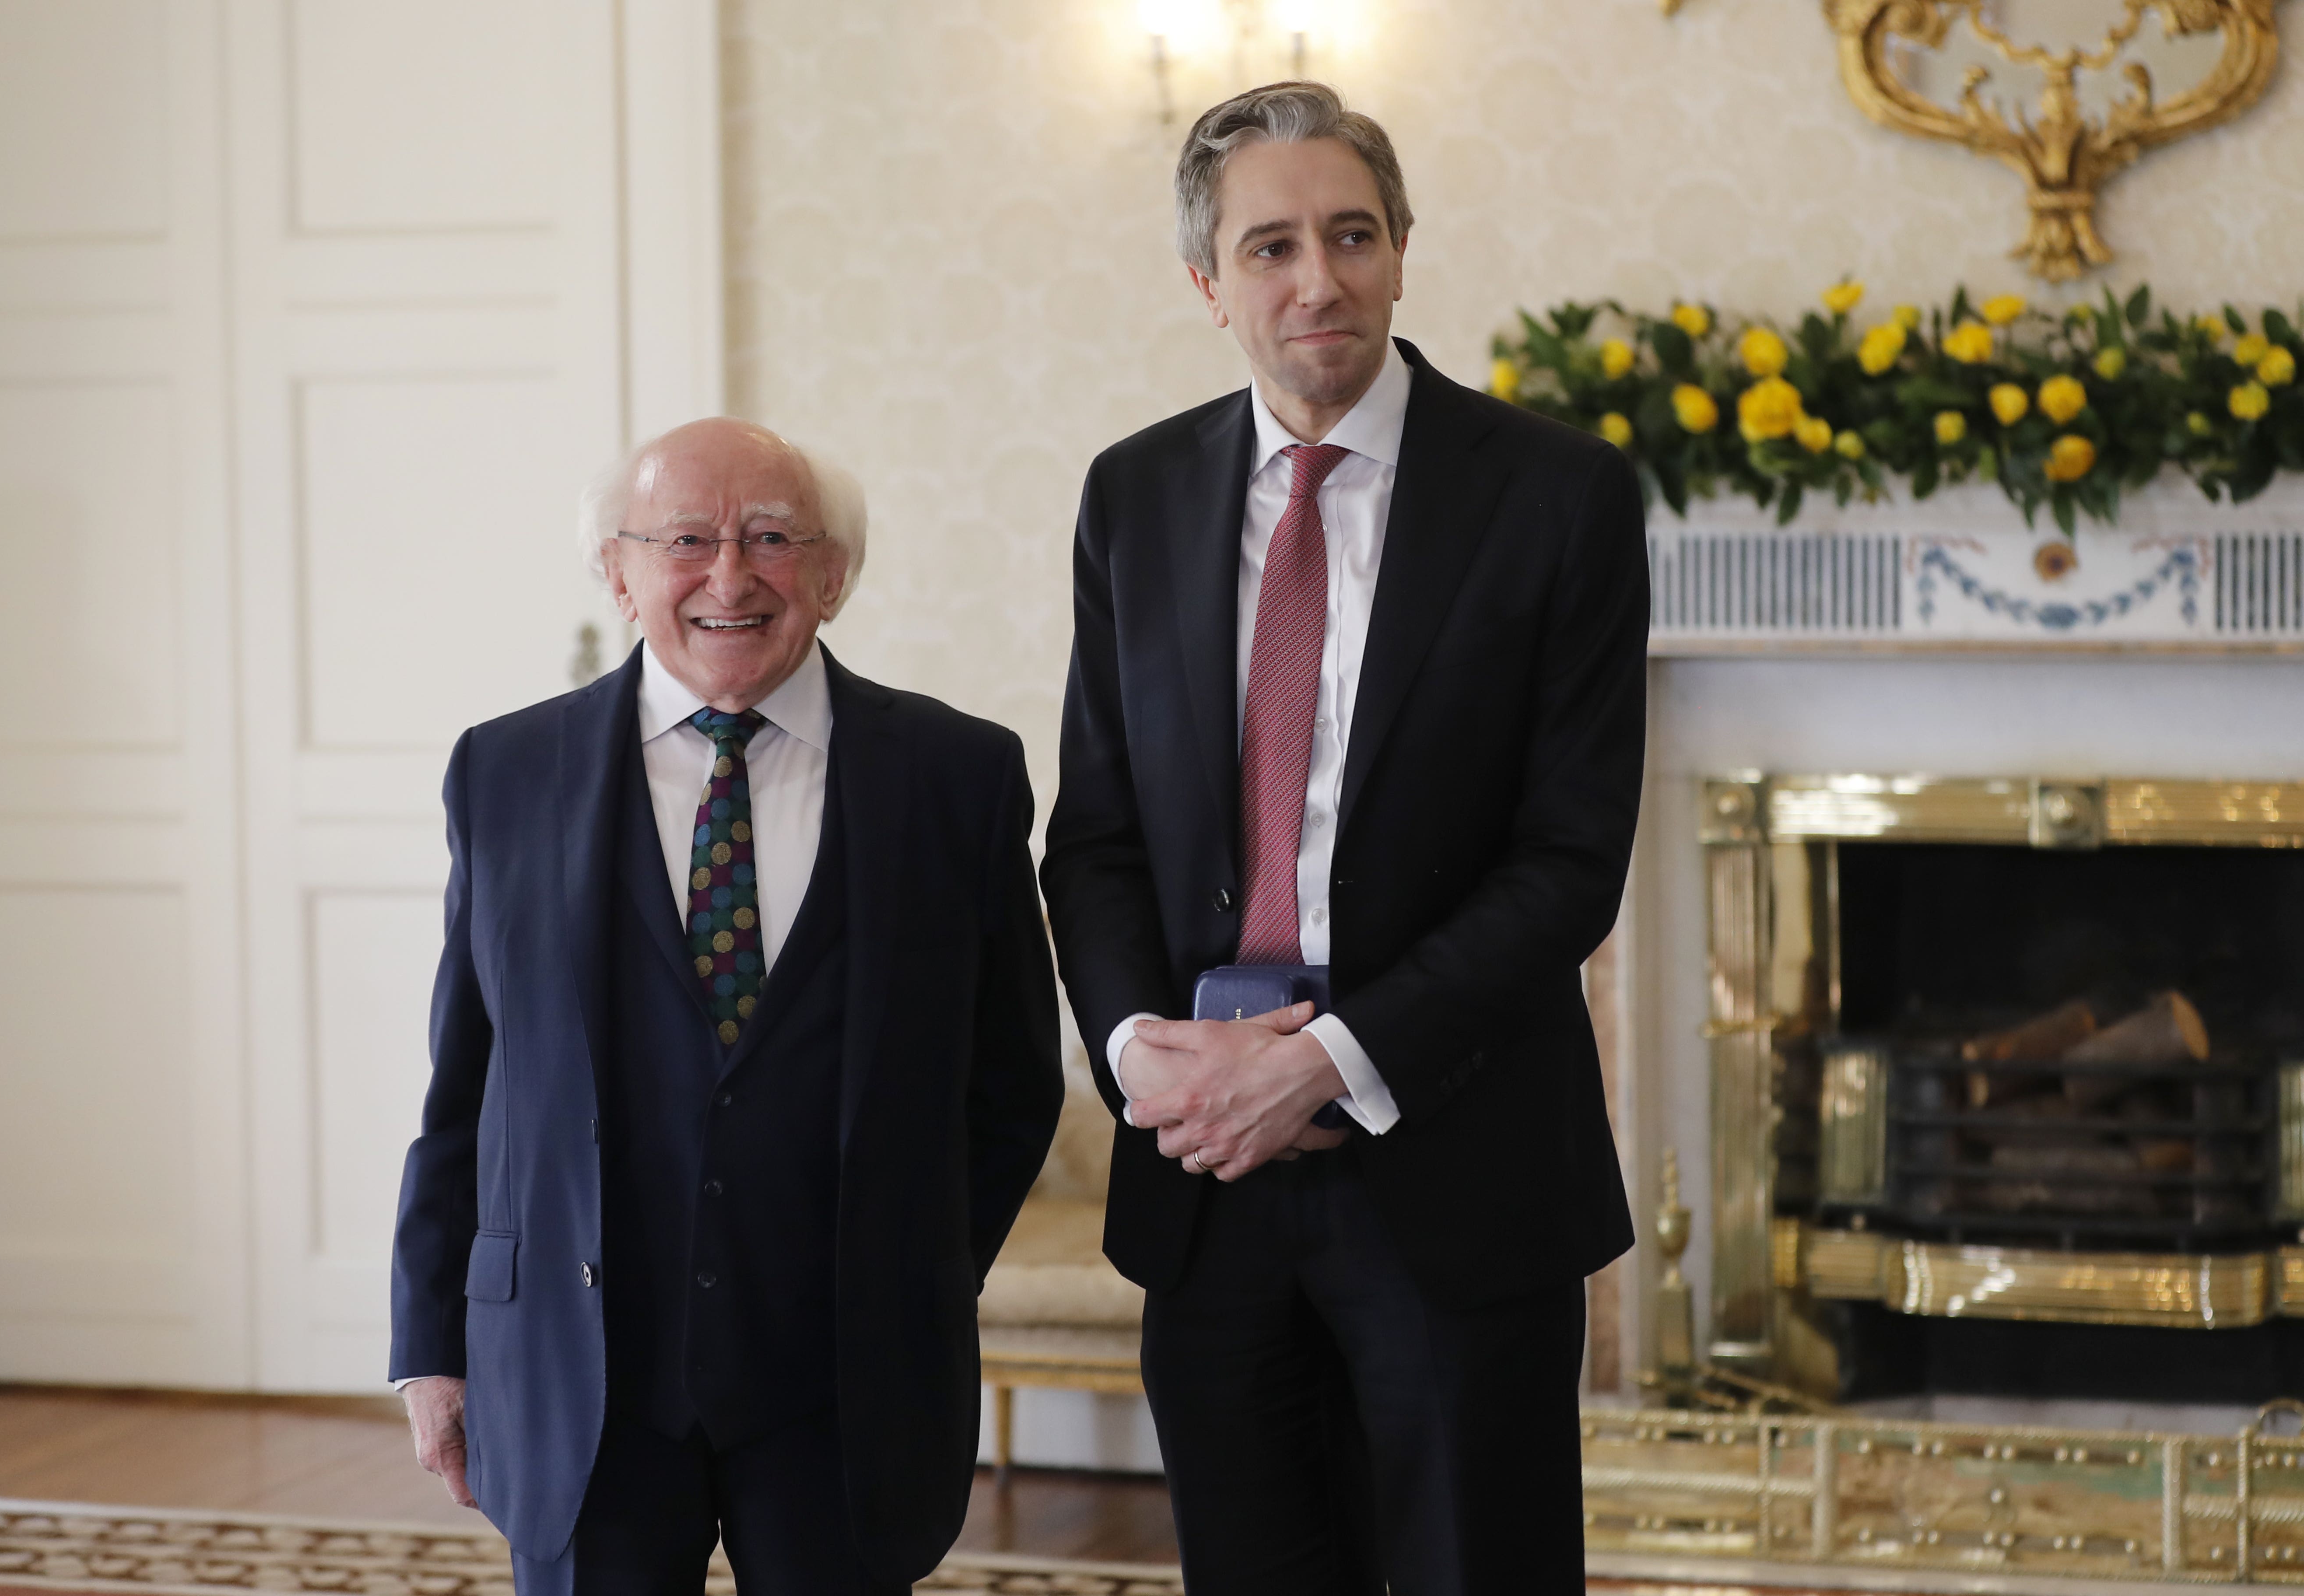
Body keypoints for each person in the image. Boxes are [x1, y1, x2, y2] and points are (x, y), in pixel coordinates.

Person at [1040, 82, 1647, 1593]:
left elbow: (1569, 862)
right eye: (1271, 247)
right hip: (1206, 1179)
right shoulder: (1134, 495)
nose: (1319, 279)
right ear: (1209, 284)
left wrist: (1326, 1060)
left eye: (1353, 235)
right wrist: (1142, 1058)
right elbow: (1097, 838)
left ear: (1399, 251)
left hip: (1457, 1162)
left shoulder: (1559, 496)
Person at [389, 418, 1063, 1595]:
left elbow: (1010, 1085)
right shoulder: (504, 774)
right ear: (618, 568)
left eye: (771, 539)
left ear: (836, 575)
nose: (730, 576)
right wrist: (432, 1345)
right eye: (686, 540)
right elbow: (468, 1081)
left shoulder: (959, 777)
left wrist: (910, 1269)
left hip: (843, 1387)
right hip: (578, 1369)